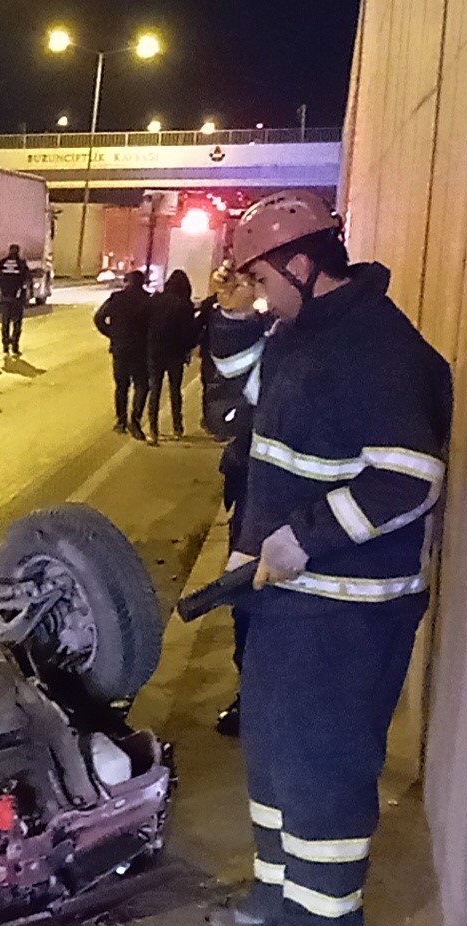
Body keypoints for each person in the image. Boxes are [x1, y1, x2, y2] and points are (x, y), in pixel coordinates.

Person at [207, 190, 452, 926]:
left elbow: (409, 478)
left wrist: (303, 538)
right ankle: (279, 896)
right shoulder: (299, 331)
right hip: (283, 596)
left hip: (347, 612)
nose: (261, 293)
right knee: (276, 755)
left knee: (324, 761)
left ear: (305, 265)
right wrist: (238, 315)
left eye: (265, 280)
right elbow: (235, 402)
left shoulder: (377, 352)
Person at [199, 263, 272, 737]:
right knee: (247, 602)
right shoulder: (269, 330)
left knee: (267, 606)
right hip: (252, 492)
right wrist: (234, 319)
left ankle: (266, 698)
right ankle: (252, 694)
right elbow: (220, 410)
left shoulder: (310, 336)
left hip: (291, 506)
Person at [141, 268, 199, 445]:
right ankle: (177, 428)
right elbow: (188, 332)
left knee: (155, 390)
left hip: (155, 351)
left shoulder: (155, 300)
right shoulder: (184, 305)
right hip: (175, 353)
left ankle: (153, 430)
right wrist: (188, 348)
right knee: (175, 391)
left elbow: (145, 324)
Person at [93, 270, 153, 439]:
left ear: (127, 282)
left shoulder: (116, 298)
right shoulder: (148, 301)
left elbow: (99, 318)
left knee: (122, 386)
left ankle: (121, 421)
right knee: (141, 385)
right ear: (142, 283)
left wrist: (112, 334)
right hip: (140, 350)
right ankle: (135, 421)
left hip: (120, 348)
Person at [0, 243, 33, 357]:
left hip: (5, 298)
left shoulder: (3, 263)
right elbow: (27, 279)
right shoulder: (21, 264)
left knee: (5, 323)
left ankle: (5, 346)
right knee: (17, 323)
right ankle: (15, 345)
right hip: (17, 299)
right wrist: (26, 296)